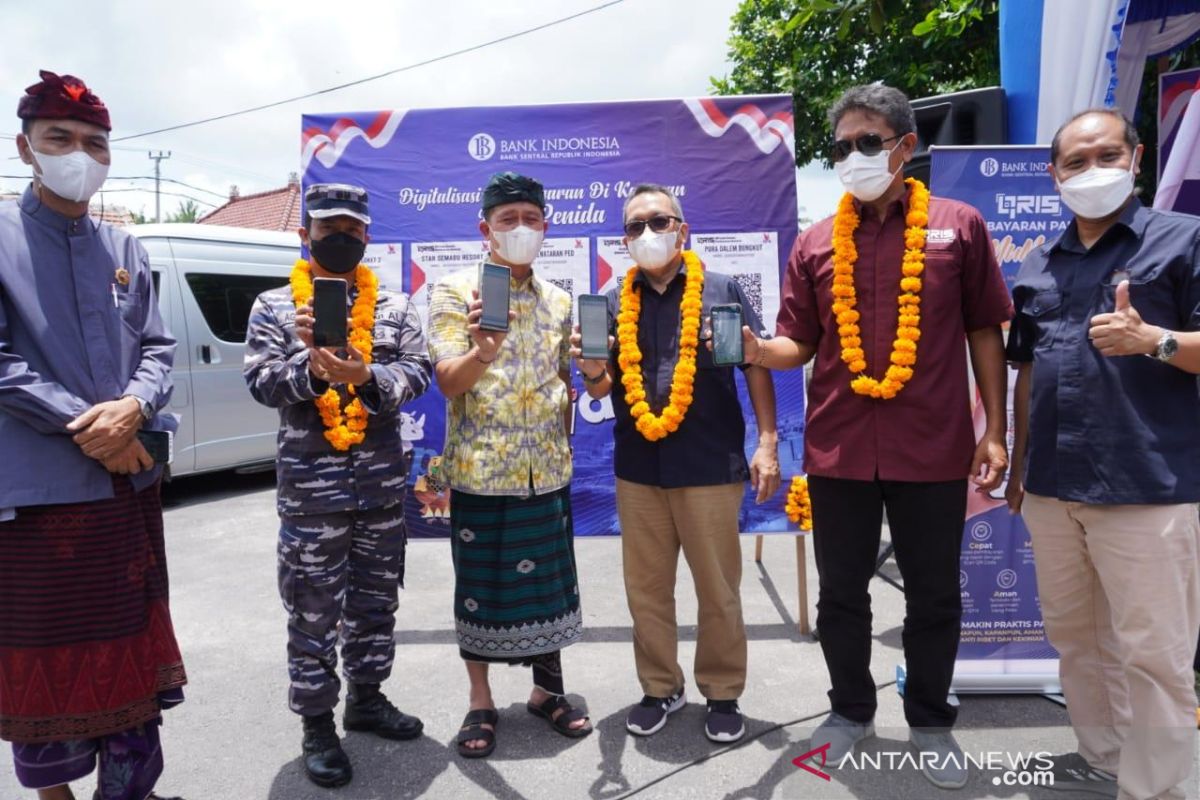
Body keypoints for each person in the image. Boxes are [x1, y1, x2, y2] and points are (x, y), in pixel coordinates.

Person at [749, 84, 1012, 789]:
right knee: (841, 594)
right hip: (839, 450)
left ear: (905, 146)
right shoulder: (813, 241)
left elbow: (985, 328)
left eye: (869, 142)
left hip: (933, 443)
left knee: (933, 596)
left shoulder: (959, 226)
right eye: (842, 147)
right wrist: (752, 348)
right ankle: (850, 712)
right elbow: (796, 344)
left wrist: (997, 431)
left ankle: (929, 721)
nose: (855, 157)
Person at [0, 70, 187, 800]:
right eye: (61, 139)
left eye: (94, 143)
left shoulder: (124, 246)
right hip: (40, 501)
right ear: (26, 146)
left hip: (125, 490)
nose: (79, 154)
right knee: (43, 677)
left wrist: (134, 409)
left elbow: (158, 347)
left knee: (131, 662)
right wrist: (92, 425)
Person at [1006, 108, 1200, 800]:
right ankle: (1107, 758)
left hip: (1146, 486)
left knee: (1156, 657)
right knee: (1080, 642)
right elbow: (1027, 370)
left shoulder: (1183, 241)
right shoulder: (1039, 262)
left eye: (1107, 155)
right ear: (1055, 174)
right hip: (1053, 488)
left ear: (1136, 158)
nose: (1093, 171)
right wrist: (1018, 466)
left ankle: (1160, 790)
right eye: (1077, 162)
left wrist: (1156, 341)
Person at [573, 183, 781, 744]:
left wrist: (767, 441)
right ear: (624, 240)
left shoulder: (722, 288)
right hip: (638, 468)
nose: (647, 234)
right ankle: (660, 686)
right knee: (646, 588)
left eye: (657, 221)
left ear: (681, 229)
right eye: (635, 227)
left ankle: (722, 691)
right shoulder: (612, 301)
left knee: (718, 588)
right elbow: (600, 389)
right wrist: (592, 371)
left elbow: (756, 367)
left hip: (710, 465)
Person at [243, 183, 432, 788]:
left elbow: (418, 371)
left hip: (379, 489)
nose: (342, 239)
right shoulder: (274, 308)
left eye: (352, 229)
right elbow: (263, 385)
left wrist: (365, 374)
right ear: (305, 236)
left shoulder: (397, 309)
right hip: (310, 495)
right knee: (313, 611)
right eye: (329, 230)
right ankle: (318, 724)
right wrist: (308, 363)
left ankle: (368, 699)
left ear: (368, 236)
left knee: (376, 604)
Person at [427, 171, 592, 759]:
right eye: (507, 219)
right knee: (480, 592)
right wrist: (483, 351)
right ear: (485, 229)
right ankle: (480, 700)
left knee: (547, 589)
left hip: (545, 468)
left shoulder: (561, 302)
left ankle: (548, 692)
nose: (520, 228)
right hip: (480, 472)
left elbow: (568, 382)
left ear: (545, 226)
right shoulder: (452, 292)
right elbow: (448, 383)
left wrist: (586, 379)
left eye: (530, 217)